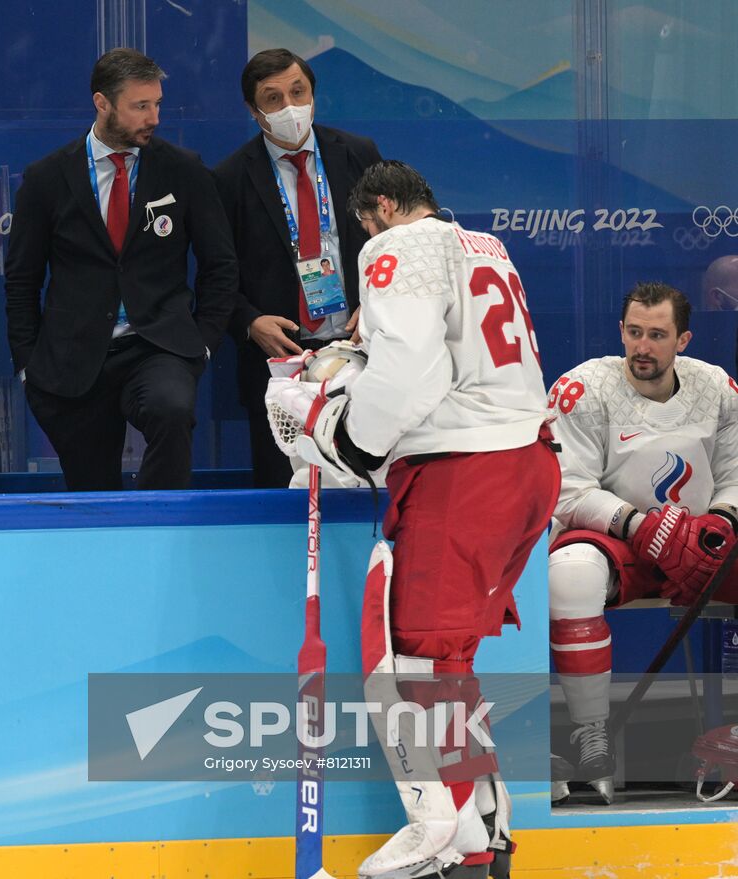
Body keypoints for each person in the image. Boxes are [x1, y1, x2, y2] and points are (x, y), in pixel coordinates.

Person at [265, 160, 559, 878]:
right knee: (449, 663)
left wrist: (344, 434)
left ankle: (433, 840)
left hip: (467, 474)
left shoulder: (396, 243)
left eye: (368, 226)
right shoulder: (484, 244)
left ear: (384, 209)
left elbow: (409, 370)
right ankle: (481, 838)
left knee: (413, 664)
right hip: (528, 465)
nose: (369, 243)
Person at [5, 48, 237, 491]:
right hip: (74, 360)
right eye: (140, 106)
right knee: (93, 495)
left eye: (157, 104)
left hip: (157, 347)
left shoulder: (183, 171)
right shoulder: (47, 178)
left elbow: (220, 265)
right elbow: (22, 279)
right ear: (102, 103)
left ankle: (158, 527)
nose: (153, 118)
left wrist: (202, 343)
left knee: (171, 409)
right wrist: (27, 365)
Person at [547, 283, 738, 805]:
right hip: (619, 541)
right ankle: (592, 736)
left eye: (657, 335)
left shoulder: (717, 387)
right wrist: (636, 524)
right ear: (621, 333)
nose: (643, 347)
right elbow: (566, 488)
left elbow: (735, 470)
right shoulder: (583, 387)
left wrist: (721, 521)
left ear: (684, 340)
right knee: (569, 575)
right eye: (634, 333)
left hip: (704, 540)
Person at [213, 48, 382, 488]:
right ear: (254, 111)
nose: (290, 106)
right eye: (273, 98)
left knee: (368, 486)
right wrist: (249, 321)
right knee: (283, 494)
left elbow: (389, 243)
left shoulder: (358, 154)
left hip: (361, 348)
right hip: (280, 362)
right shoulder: (229, 178)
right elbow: (215, 275)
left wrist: (381, 304)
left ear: (314, 95)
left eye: (298, 91)